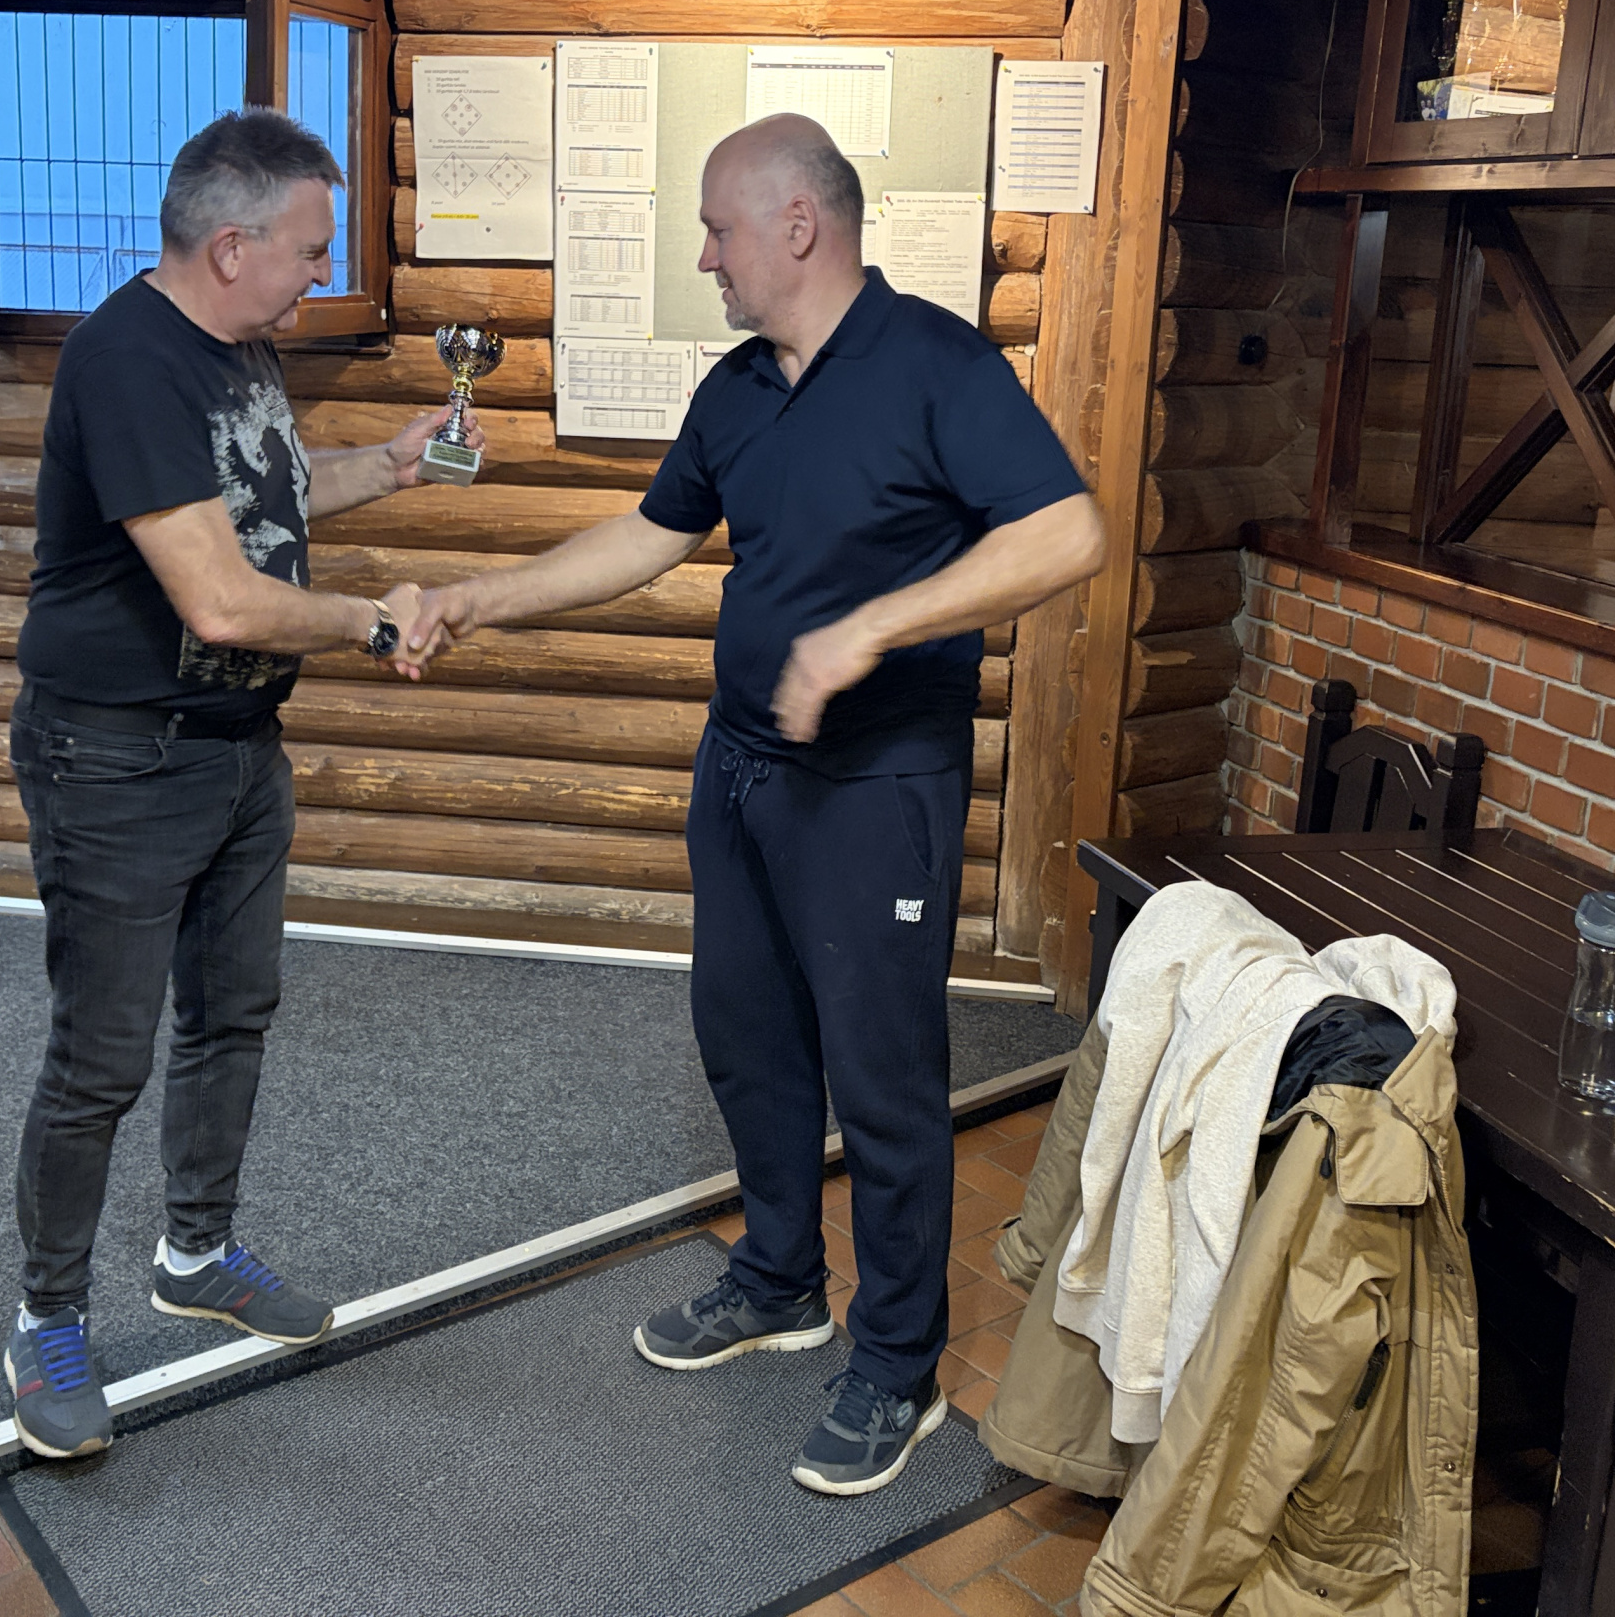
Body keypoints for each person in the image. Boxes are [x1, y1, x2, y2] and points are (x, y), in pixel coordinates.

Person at [404, 113, 1104, 1496]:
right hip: (740, 773)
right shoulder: (736, 387)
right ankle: (781, 1281)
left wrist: (872, 630)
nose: (707, 257)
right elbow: (648, 534)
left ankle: (896, 1365)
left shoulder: (939, 366)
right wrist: (478, 598)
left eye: (720, 230)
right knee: (750, 1039)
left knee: (885, 1084)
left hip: (877, 787)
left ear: (799, 225)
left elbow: (1066, 531)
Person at [2, 108, 470, 1461]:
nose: (322, 273)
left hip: (235, 749)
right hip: (115, 755)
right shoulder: (126, 361)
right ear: (229, 246)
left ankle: (195, 1255)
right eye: (311, 250)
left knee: (231, 1016)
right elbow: (217, 596)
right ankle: (46, 1320)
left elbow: (262, 493)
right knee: (102, 1054)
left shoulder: (236, 345)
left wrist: (391, 468)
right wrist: (374, 623)